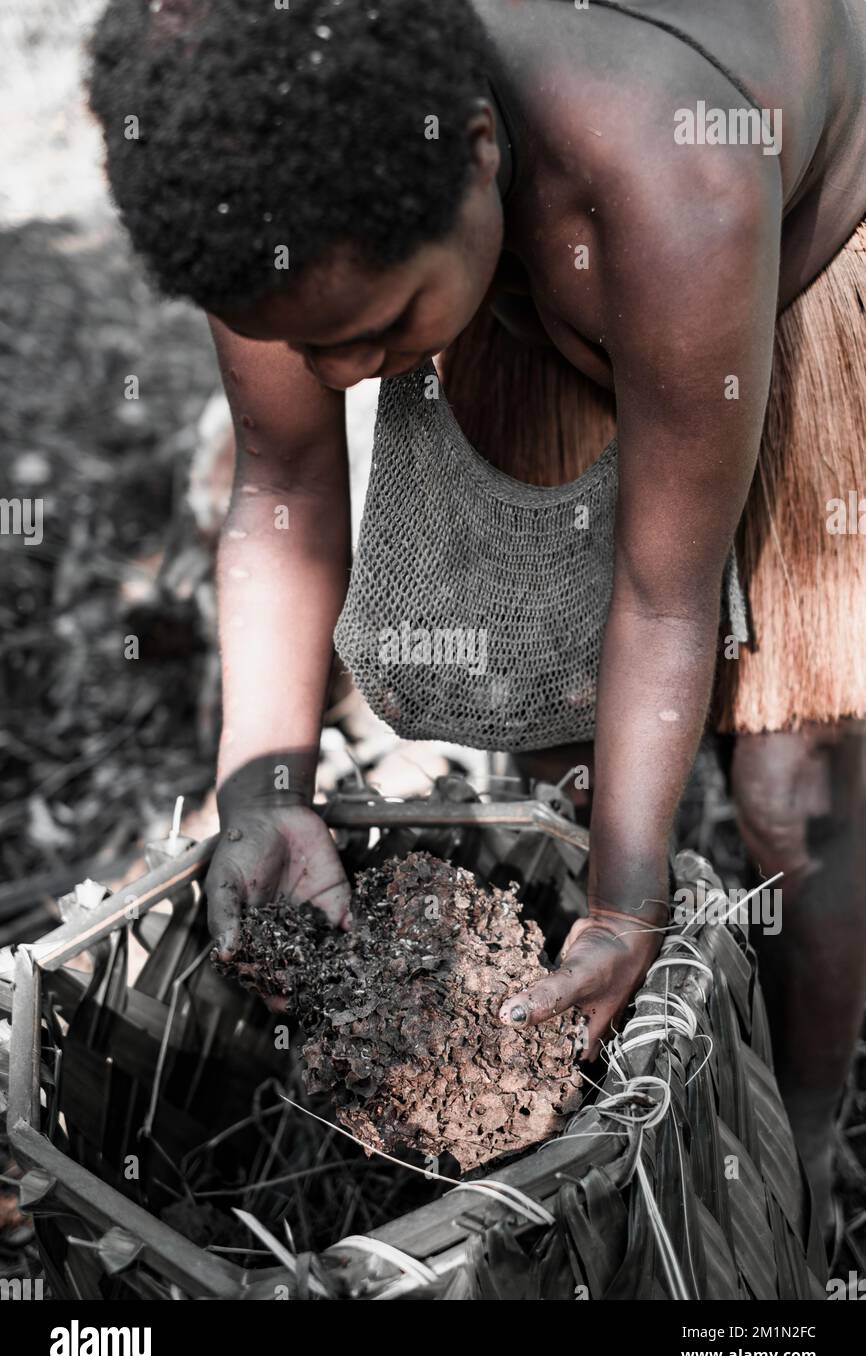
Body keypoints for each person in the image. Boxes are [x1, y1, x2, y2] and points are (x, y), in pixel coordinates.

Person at [88, 0, 866, 1231]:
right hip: (522, 276)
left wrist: (626, 902)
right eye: (311, 346)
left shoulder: (675, 173)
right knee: (557, 752)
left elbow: (667, 597)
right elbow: (283, 486)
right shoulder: (283, 194)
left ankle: (804, 1143)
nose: (343, 378)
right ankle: (588, 1148)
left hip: (750, 263)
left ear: (479, 153)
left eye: (376, 333)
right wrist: (263, 790)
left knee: (786, 789)